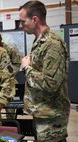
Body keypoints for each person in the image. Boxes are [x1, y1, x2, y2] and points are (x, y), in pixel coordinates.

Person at [19, 1, 70, 141]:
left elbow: (50, 83)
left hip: (51, 117)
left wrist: (26, 68)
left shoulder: (52, 44)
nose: (20, 25)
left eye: (23, 21)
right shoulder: (39, 42)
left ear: (35, 19)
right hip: (42, 113)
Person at [0, 32, 21, 119]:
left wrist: (9, 74)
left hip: (8, 81)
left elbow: (17, 64)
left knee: (10, 107)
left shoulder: (9, 49)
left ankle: (10, 123)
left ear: (0, 40)